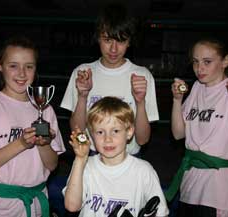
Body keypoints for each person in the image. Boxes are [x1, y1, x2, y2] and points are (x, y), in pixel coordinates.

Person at [60, 3, 159, 156]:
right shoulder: (82, 73)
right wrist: (82, 96)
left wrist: (140, 102)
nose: (113, 49)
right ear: (98, 38)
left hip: (130, 158)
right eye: (107, 40)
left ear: (129, 42)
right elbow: (77, 132)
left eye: (121, 40)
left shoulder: (142, 76)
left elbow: (143, 139)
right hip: (91, 156)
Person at [0, 36, 65, 217]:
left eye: (29, 66)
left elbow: (52, 165)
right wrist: (20, 143)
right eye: (13, 65)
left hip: (36, 203)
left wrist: (43, 144)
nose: (22, 73)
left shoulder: (45, 109)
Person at [166, 36, 228, 217]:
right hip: (189, 188)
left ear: (225, 61)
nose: (199, 68)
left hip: (219, 192)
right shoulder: (197, 88)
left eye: (207, 62)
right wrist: (177, 100)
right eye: (195, 62)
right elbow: (178, 134)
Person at [63, 96, 169, 217]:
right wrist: (80, 159)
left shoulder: (143, 171)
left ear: (129, 132)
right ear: (91, 135)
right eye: (100, 132)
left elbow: (161, 212)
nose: (107, 139)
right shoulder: (85, 166)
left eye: (116, 131)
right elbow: (72, 206)